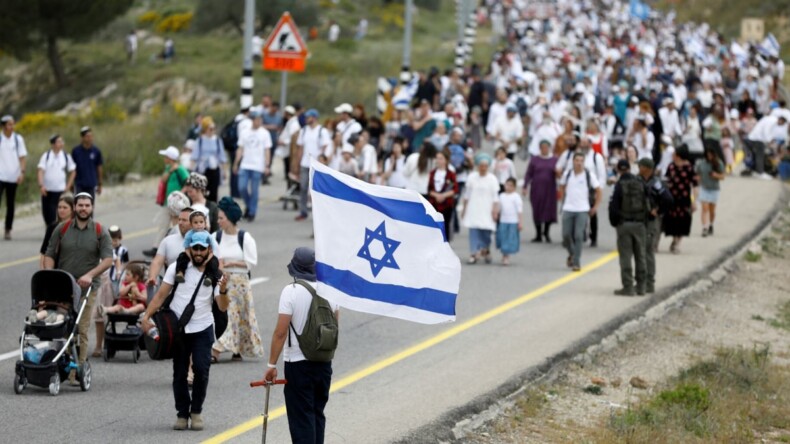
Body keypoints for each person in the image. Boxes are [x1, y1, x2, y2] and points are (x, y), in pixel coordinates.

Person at [141, 232, 230, 431]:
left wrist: (223, 290)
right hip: (178, 329)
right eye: (195, 248)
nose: (198, 252)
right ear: (189, 249)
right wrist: (146, 317)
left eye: (202, 248)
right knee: (179, 373)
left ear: (209, 250)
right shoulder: (176, 268)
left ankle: (196, 411)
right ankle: (182, 413)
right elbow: (161, 295)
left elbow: (222, 307)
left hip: (203, 328)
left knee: (201, 369)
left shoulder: (216, 274)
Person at [264, 247, 339, 444]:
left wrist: (271, 366)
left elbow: (280, 333)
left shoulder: (291, 291)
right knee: (317, 413)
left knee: (301, 418)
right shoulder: (331, 290)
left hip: (298, 363)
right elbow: (334, 325)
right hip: (323, 363)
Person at [43, 192, 112, 375]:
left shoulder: (99, 231)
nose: (83, 208)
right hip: (64, 286)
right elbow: (49, 253)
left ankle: (78, 369)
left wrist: (90, 275)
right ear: (75, 207)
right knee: (63, 325)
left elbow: (107, 260)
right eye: (80, 205)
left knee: (81, 328)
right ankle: (63, 364)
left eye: (87, 205)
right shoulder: (62, 228)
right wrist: (50, 275)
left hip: (87, 288)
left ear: (92, 207)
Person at [210, 197, 264, 362]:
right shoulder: (215, 236)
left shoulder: (245, 238)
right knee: (229, 315)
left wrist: (232, 262)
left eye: (221, 218)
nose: (218, 221)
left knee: (240, 317)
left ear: (231, 218)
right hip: (222, 280)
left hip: (240, 283)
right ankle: (217, 350)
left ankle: (232, 350)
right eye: (218, 218)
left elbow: (251, 262)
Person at [608, 159, 647, 296]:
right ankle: (642, 286)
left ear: (618, 170)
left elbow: (613, 207)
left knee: (626, 257)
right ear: (630, 169)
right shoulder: (640, 183)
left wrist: (615, 223)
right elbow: (648, 201)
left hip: (624, 224)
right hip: (639, 224)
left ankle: (628, 286)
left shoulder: (619, 185)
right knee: (640, 255)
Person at [559, 152, 602, 272]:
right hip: (568, 207)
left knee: (578, 235)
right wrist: (563, 199)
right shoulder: (568, 174)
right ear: (573, 161)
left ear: (584, 162)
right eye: (576, 160)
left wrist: (596, 206)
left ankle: (576, 262)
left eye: (581, 161)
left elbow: (599, 191)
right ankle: (572, 253)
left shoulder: (589, 175)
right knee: (566, 235)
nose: (579, 163)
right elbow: (561, 186)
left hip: (582, 208)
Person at [91, 224, 130, 357]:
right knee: (97, 316)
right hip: (97, 284)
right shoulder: (97, 250)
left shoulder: (117, 251)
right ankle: (98, 344)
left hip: (110, 284)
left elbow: (120, 262)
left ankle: (104, 343)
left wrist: (119, 273)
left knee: (106, 315)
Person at [145, 146, 189, 257]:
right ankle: (157, 247)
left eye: (166, 156)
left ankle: (178, 245)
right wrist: (170, 171)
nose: (164, 158)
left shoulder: (180, 169)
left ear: (170, 158)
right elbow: (163, 180)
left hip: (176, 203)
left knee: (176, 224)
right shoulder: (169, 168)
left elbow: (188, 182)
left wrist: (180, 195)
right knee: (163, 224)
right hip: (167, 202)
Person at [638, 158, 672, 294]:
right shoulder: (638, 180)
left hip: (651, 221)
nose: (639, 168)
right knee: (640, 252)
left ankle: (649, 283)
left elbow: (668, 199)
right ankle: (641, 282)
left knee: (648, 252)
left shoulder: (656, 183)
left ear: (647, 168)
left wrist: (658, 211)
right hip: (639, 220)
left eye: (641, 166)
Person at [234, 110, 272, 222]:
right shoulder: (245, 132)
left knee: (254, 190)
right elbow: (240, 148)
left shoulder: (264, 133)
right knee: (242, 187)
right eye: (256, 120)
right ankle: (248, 204)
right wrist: (236, 163)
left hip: (257, 166)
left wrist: (267, 165)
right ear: (252, 120)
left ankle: (252, 212)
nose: (258, 122)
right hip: (245, 164)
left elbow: (267, 150)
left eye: (260, 120)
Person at [461, 154, 500, 265]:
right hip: (474, 208)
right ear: (478, 166)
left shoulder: (492, 179)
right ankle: (474, 253)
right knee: (474, 230)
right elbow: (467, 195)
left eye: (485, 166)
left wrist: (495, 210)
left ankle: (485, 249)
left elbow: (495, 197)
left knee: (486, 232)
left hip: (487, 209)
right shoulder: (472, 177)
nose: (483, 168)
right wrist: (464, 209)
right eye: (481, 166)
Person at [294, 109, 331, 221]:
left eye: (308, 117)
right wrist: (296, 163)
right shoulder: (304, 130)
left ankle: (318, 212)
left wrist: (323, 160)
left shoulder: (321, 131)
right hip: (305, 163)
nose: (306, 119)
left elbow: (325, 146)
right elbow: (300, 147)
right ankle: (303, 211)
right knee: (303, 187)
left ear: (314, 118)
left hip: (317, 164)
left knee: (315, 190)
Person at [662, 145, 698, 254]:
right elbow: (667, 181)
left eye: (674, 154)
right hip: (671, 199)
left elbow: (695, 185)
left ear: (679, 156)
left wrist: (694, 201)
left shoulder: (690, 168)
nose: (672, 156)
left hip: (684, 199)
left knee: (683, 221)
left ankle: (677, 243)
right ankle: (674, 239)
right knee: (671, 221)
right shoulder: (671, 166)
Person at [147, 206, 192, 287]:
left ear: (193, 222)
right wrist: (152, 277)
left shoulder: (204, 241)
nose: (180, 223)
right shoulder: (167, 241)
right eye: (179, 219)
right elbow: (157, 262)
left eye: (184, 220)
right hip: (172, 289)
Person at [523, 140, 558, 243]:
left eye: (546, 147)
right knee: (537, 209)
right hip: (537, 188)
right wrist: (525, 186)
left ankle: (546, 232)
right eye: (542, 147)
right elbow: (529, 173)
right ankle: (538, 233)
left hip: (550, 189)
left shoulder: (554, 160)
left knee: (549, 209)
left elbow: (559, 173)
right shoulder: (535, 160)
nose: (544, 149)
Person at [175, 211, 222, 287]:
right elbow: (186, 248)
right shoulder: (189, 234)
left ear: (205, 223)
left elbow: (212, 250)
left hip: (206, 255)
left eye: (201, 222)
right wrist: (191, 258)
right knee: (181, 256)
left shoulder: (208, 236)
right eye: (195, 222)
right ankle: (180, 272)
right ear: (191, 224)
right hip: (192, 253)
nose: (199, 224)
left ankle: (209, 277)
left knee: (214, 261)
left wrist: (207, 260)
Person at [37, 134, 75, 227]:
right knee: (46, 210)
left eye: (62, 141)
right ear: (53, 144)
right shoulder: (46, 156)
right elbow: (40, 170)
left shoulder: (66, 156)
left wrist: (68, 185)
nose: (61, 144)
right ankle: (49, 226)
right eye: (59, 142)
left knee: (55, 209)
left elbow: (73, 171)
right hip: (47, 189)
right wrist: (41, 185)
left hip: (59, 189)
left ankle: (54, 228)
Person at [1, 115, 28, 240]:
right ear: (3, 126)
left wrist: (22, 173)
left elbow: (22, 157)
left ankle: (8, 229)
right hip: (0, 176)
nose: (12, 127)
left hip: (13, 177)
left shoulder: (18, 139)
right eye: (9, 124)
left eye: (13, 124)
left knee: (10, 204)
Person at [191, 117, 227, 203]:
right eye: (210, 128)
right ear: (205, 129)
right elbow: (194, 157)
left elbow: (222, 157)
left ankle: (213, 213)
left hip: (215, 169)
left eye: (214, 128)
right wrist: (191, 173)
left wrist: (224, 171)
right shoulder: (199, 141)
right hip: (203, 171)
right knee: (204, 193)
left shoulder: (217, 140)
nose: (212, 130)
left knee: (214, 193)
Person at [427, 149, 458, 242]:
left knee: (446, 225)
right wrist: (436, 195)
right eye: (437, 158)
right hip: (434, 203)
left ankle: (445, 244)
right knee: (434, 225)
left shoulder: (450, 174)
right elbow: (429, 189)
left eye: (441, 158)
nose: (438, 161)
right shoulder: (432, 173)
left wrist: (443, 195)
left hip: (446, 204)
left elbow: (455, 189)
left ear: (446, 160)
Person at [696, 146, 725, 237]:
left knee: (712, 210)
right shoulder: (701, 163)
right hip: (704, 188)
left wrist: (716, 175)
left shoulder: (718, 163)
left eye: (711, 154)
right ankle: (705, 227)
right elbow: (698, 174)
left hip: (714, 189)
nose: (709, 156)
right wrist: (697, 181)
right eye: (707, 155)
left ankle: (711, 224)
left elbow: (723, 176)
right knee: (705, 208)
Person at [39, 193, 74, 269]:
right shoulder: (52, 227)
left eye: (65, 208)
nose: (61, 210)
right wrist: (42, 271)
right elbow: (44, 251)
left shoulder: (76, 227)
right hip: (54, 268)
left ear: (72, 209)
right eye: (59, 207)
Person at [71, 126, 103, 200]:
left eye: (91, 136)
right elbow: (72, 168)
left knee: (89, 207)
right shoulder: (76, 151)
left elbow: (99, 167)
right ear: (82, 138)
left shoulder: (96, 151)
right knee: (79, 206)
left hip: (91, 183)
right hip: (79, 183)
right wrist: (71, 183)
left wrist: (100, 183)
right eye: (87, 136)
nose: (90, 138)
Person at [496, 178, 523, 265]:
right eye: (507, 185)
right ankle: (504, 254)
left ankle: (506, 256)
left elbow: (519, 211)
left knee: (509, 239)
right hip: (503, 221)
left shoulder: (516, 197)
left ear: (514, 187)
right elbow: (499, 208)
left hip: (513, 221)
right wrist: (496, 215)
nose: (508, 187)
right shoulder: (501, 196)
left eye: (511, 185)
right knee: (503, 238)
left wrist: (520, 222)